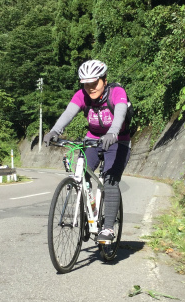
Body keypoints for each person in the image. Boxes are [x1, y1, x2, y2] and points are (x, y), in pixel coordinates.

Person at [43, 59, 131, 243]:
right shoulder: (82, 95)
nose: (90, 88)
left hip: (118, 140)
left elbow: (121, 113)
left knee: (110, 180)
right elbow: (68, 113)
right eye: (86, 84)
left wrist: (113, 133)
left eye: (94, 83)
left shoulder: (117, 92)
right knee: (81, 174)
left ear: (104, 80)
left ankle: (108, 228)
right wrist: (55, 131)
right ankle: (88, 212)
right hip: (92, 140)